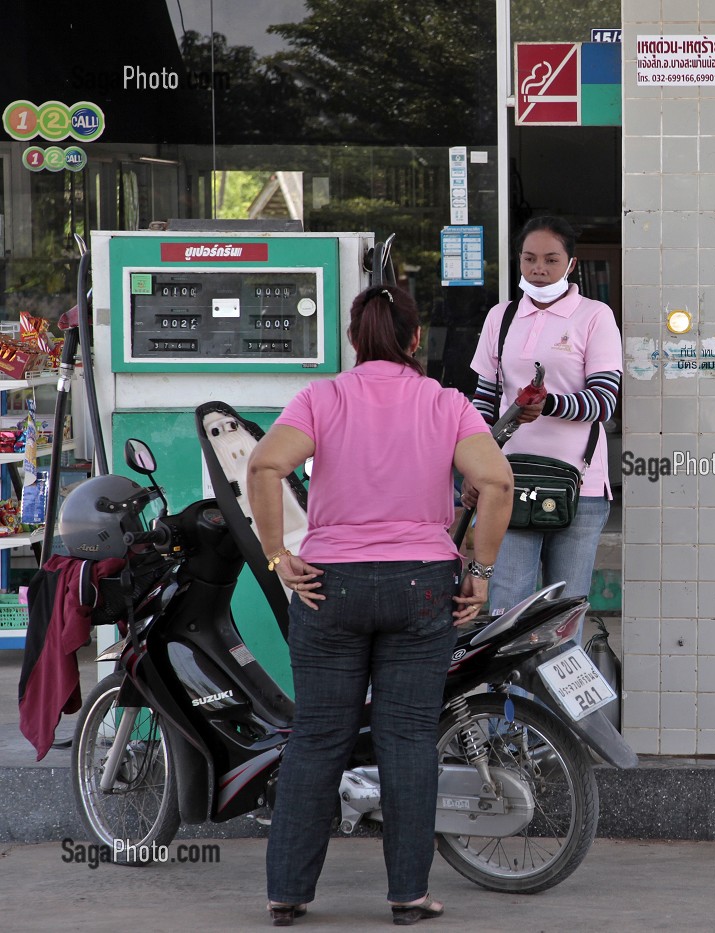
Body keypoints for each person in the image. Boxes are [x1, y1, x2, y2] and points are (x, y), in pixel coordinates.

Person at [247, 284, 514, 927]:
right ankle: (408, 895)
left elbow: (263, 467)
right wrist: (479, 570)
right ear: (416, 339)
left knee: (317, 739)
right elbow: (497, 480)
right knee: (408, 740)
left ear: (352, 341)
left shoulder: (322, 397)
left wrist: (280, 557)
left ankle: (287, 893)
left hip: (329, 584)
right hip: (421, 584)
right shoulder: (446, 403)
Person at [467, 216, 622, 620]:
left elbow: (605, 403)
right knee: (506, 610)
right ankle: (512, 688)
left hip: (580, 483)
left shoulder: (594, 316)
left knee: (563, 616)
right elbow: (485, 399)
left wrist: (548, 404)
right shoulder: (500, 317)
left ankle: (556, 685)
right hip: (507, 480)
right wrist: (474, 465)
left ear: (571, 264)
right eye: (529, 259)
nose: (539, 269)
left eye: (551, 260)